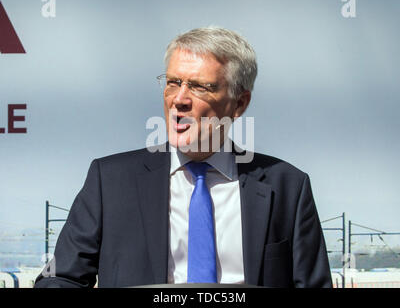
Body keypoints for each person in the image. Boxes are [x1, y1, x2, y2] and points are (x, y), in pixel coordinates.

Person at [34, 26, 332, 288]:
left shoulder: (289, 188)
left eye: (200, 86)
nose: (179, 99)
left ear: (239, 103)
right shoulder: (109, 181)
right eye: (173, 82)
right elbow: (60, 279)